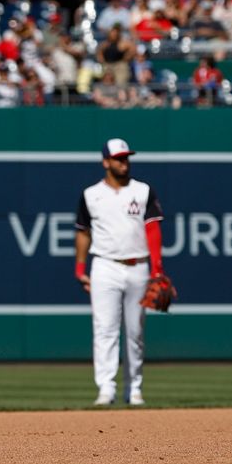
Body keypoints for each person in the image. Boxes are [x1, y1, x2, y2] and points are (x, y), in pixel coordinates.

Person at [74, 138, 166, 406]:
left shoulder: (143, 190)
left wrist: (158, 269)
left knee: (135, 331)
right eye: (118, 158)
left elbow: (153, 229)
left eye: (126, 158)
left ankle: (134, 388)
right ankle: (106, 387)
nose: (124, 162)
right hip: (104, 265)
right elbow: (82, 233)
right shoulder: (91, 195)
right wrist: (80, 268)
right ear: (106, 162)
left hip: (138, 265)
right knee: (105, 329)